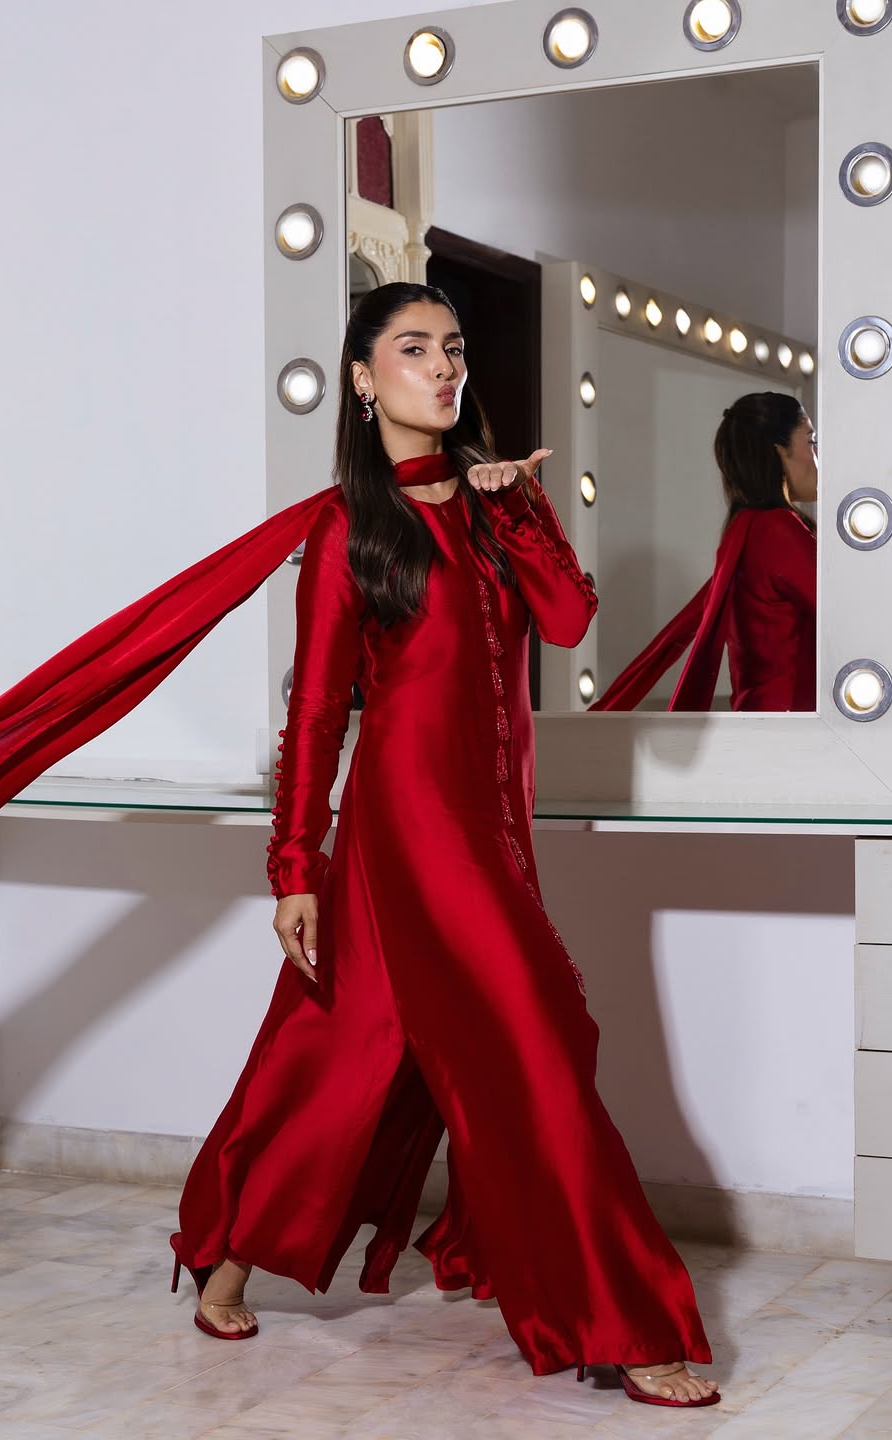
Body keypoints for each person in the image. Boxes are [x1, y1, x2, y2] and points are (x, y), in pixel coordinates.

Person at [168, 282, 719, 1407]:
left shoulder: (493, 506)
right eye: (414, 349)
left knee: (341, 1045)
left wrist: (520, 509)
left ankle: (225, 1254)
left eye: (454, 348)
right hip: (412, 825)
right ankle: (616, 1319)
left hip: (496, 825)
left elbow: (568, 621)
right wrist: (294, 868)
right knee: (538, 1043)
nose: (444, 368)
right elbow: (315, 715)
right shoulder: (348, 530)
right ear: (363, 379)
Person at [592, 392, 817, 712]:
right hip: (795, 726)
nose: (818, 455)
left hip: (767, 722)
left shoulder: (747, 527)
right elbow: (848, 615)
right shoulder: (778, 530)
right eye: (811, 441)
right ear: (779, 451)